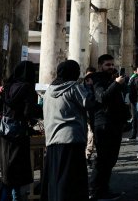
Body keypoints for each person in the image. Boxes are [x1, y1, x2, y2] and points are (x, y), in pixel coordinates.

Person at [42, 59, 93, 201]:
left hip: (52, 140)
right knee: (72, 181)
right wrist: (89, 87)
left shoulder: (48, 92)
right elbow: (88, 102)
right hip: (72, 139)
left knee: (55, 179)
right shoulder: (73, 87)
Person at [0, 61, 41, 201]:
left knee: (7, 171)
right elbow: (28, 111)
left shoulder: (6, 87)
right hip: (19, 133)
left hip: (4, 132)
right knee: (18, 171)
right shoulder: (27, 88)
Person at [89, 53, 129, 200]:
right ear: (100, 66)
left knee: (111, 159)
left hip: (115, 123)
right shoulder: (97, 79)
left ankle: (104, 189)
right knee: (102, 159)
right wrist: (116, 84)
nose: (111, 67)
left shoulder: (112, 79)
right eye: (107, 65)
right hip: (103, 123)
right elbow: (102, 97)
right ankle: (94, 190)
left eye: (112, 65)